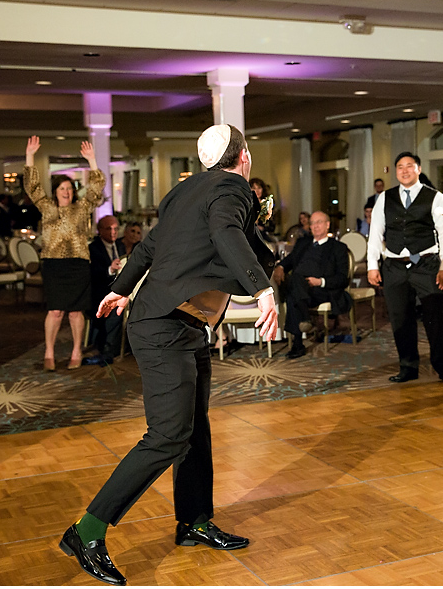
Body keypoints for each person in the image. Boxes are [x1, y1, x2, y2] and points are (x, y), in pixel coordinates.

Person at [58, 124, 278, 586]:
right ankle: (88, 529)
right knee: (168, 435)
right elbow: (225, 233)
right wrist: (263, 289)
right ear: (244, 156)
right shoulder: (232, 187)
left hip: (183, 323)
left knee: (194, 429)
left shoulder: (186, 192)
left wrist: (119, 290)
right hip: (163, 327)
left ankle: (194, 521)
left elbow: (149, 247)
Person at [367, 152, 443, 386]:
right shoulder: (385, 198)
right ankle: (408, 366)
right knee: (400, 319)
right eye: (400, 167)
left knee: (434, 319)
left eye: (410, 166)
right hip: (394, 266)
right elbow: (375, 234)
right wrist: (372, 266)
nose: (405, 170)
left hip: (426, 265)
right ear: (395, 171)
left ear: (418, 169)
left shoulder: (435, 197)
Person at [25, 136, 104, 372]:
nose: (66, 192)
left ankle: (76, 351)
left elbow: (96, 190)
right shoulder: (47, 207)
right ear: (56, 191)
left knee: (76, 312)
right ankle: (49, 352)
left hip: (78, 264)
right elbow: (32, 187)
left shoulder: (82, 208)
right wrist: (30, 155)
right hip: (53, 264)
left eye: (70, 188)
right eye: (62, 188)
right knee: (55, 311)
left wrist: (91, 160)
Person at [273, 210, 352, 359]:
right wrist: (281, 267)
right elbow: (289, 260)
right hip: (302, 288)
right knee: (296, 281)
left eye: (319, 222)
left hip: (320, 290)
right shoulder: (303, 242)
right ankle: (305, 319)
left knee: (292, 295)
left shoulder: (338, 247)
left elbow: (342, 278)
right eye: (312, 223)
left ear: (327, 225)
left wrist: (320, 281)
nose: (315, 226)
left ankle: (297, 344)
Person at [85, 215, 126, 366]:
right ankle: (108, 347)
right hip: (99, 292)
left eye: (115, 228)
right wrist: (110, 269)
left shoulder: (120, 246)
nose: (113, 232)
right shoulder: (93, 248)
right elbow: (93, 274)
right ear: (100, 230)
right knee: (116, 309)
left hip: (118, 290)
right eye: (109, 229)